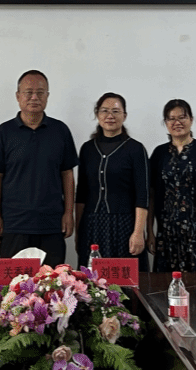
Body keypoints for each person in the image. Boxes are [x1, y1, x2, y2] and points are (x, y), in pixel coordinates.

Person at [0, 70, 79, 266]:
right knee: (14, 282)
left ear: (47, 96)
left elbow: (67, 174)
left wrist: (68, 213)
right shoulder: (3, 133)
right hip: (14, 223)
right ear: (18, 96)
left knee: (54, 281)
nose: (34, 97)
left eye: (40, 92)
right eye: (28, 92)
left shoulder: (60, 131)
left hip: (51, 223)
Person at [147, 98, 196, 273]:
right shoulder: (159, 154)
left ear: (191, 119)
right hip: (167, 235)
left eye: (182, 117)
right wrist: (150, 231)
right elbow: (151, 194)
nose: (177, 122)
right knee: (166, 284)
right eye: (171, 118)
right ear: (165, 123)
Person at [74, 92, 149, 269]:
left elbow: (142, 194)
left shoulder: (135, 149)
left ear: (125, 115)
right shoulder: (87, 149)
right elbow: (81, 193)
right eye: (104, 111)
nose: (110, 116)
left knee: (123, 277)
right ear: (97, 114)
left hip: (124, 225)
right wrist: (78, 232)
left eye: (115, 111)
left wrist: (138, 232)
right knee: (92, 280)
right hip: (92, 225)